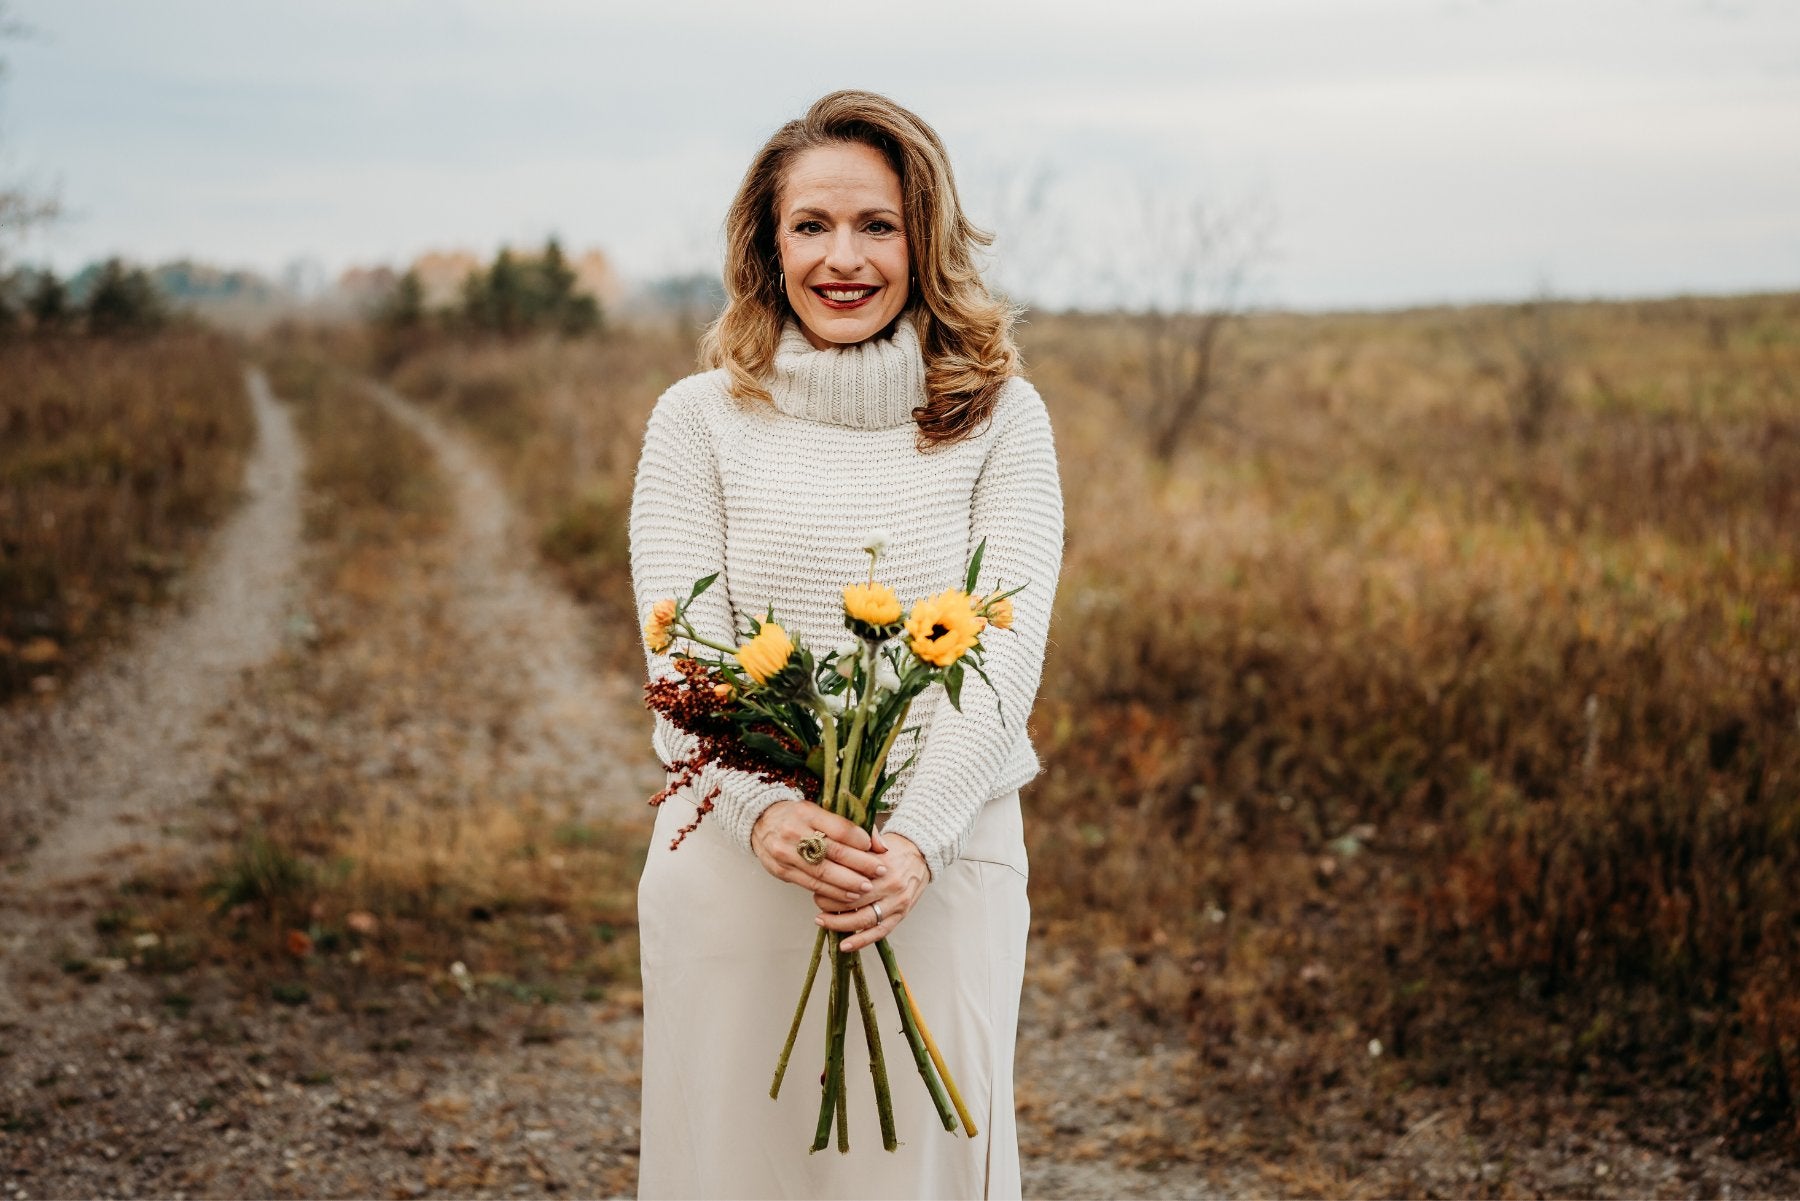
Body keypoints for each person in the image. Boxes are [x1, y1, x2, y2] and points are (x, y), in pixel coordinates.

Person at [628, 89, 1064, 1200]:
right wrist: (763, 811)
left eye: (877, 225)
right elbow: (686, 652)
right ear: (767, 247)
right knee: (734, 1164)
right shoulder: (697, 420)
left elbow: (1002, 661)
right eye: (811, 226)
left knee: (917, 1170)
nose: (844, 258)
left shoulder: (1003, 419)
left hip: (942, 863)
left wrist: (909, 843)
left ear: (926, 237)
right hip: (736, 861)